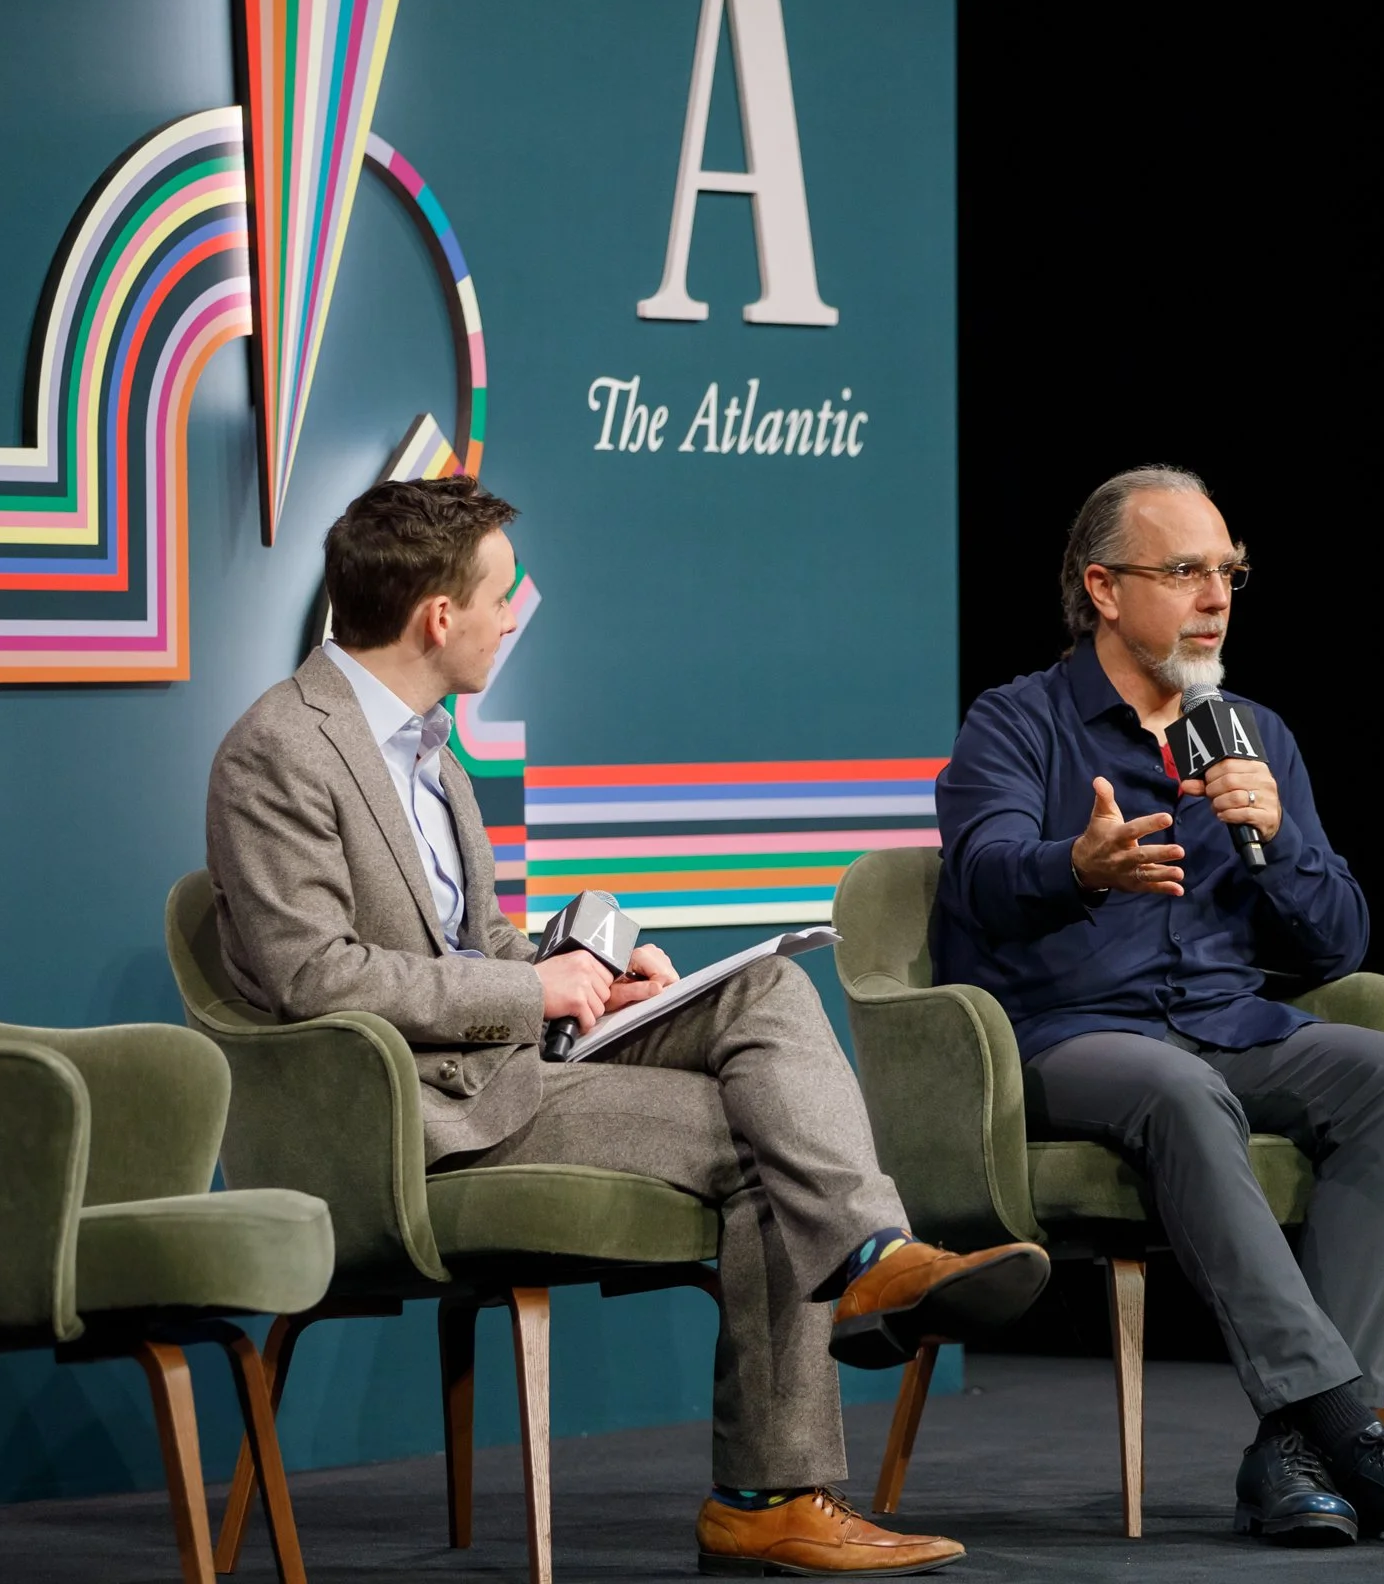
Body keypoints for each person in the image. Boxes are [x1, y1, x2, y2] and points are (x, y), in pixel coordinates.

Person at [207, 474, 1047, 1577]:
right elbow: (314, 977)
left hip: (504, 1061)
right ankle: (768, 1491)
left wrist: (589, 975)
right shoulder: (280, 747)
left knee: (764, 991)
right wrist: (532, 994)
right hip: (409, 1114)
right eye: (501, 597)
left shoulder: (429, 751)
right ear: (438, 616)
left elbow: (471, 942)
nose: (513, 617)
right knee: (769, 1140)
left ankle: (876, 1260)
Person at [933, 465, 1384, 1548]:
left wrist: (1280, 838)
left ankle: (1295, 1453)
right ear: (1104, 589)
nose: (1216, 598)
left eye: (1229, 573)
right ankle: (1354, 1430)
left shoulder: (1252, 734)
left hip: (1227, 1027)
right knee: (1177, 1087)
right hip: (1069, 1036)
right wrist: (1078, 865)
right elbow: (979, 874)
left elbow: (1338, 941)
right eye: (1185, 572)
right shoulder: (1017, 722)